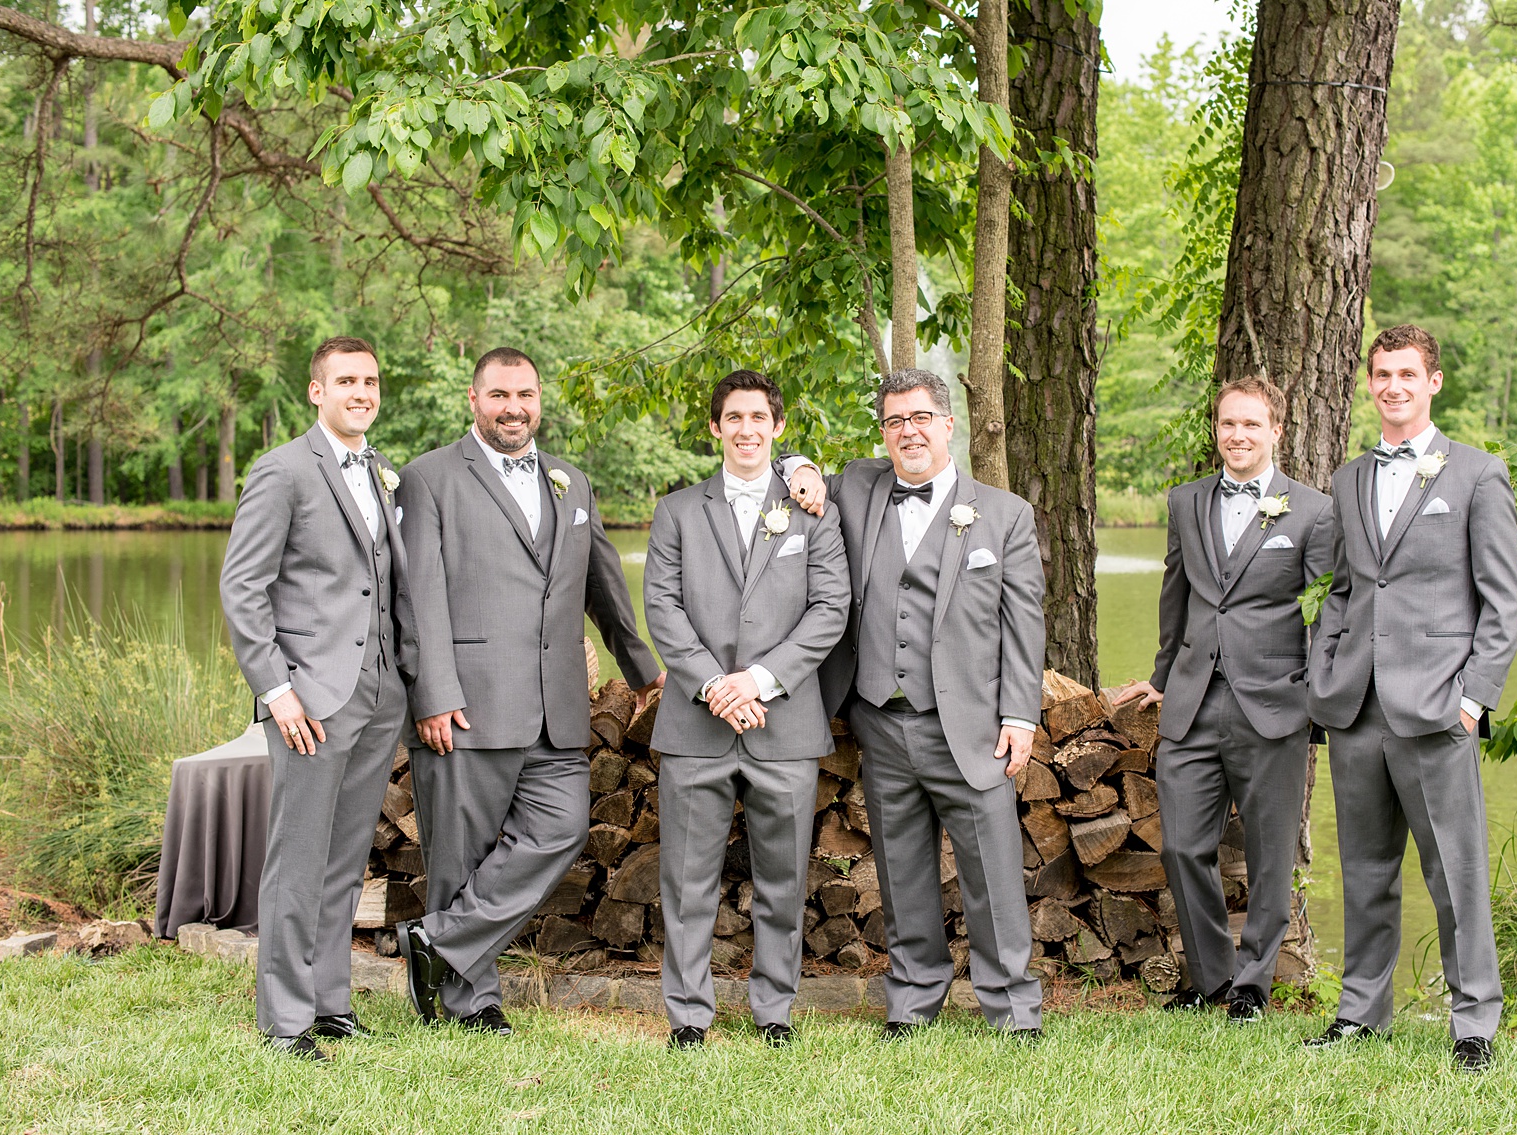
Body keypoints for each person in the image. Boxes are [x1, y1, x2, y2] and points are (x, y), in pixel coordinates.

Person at [391, 347, 663, 1033]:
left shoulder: (570, 480)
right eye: (499, 395)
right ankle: (470, 1002)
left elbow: (602, 584)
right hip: (465, 704)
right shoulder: (429, 478)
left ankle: (437, 944)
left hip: (556, 707)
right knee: (461, 856)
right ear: (473, 399)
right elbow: (415, 592)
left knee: (561, 828)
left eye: (526, 394)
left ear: (541, 398)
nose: (514, 407)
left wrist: (641, 667)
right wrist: (431, 690)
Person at [779, 368, 1047, 1039]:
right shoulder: (861, 487)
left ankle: (1013, 1008)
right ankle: (913, 998)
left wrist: (1020, 715)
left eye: (921, 417)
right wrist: (801, 463)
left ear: (949, 424)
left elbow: (1025, 624)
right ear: (883, 432)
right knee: (901, 870)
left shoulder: (1005, 514)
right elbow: (787, 465)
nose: (909, 431)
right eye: (895, 421)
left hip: (972, 725)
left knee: (991, 869)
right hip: (879, 716)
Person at [1304, 324, 1517, 1071]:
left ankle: (1474, 1024)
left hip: (1437, 709)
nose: (1392, 385)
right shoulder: (1349, 477)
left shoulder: (1477, 475)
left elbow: (1504, 603)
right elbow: (1344, 590)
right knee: (1365, 871)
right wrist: (1322, 675)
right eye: (1380, 374)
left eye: (1406, 373)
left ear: (1433, 382)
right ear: (1369, 385)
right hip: (1357, 708)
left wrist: (1474, 700)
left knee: (1455, 874)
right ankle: (1360, 1014)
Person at [220, 335, 418, 1061]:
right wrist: (278, 691)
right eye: (345, 381)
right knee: (297, 859)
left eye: (369, 380)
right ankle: (284, 1020)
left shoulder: (381, 472)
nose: (361, 392)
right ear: (316, 391)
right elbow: (243, 589)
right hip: (309, 697)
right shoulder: (281, 472)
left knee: (344, 858)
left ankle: (331, 1002)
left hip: (376, 694)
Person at [1114, 375, 1333, 1023]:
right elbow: (1175, 595)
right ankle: (1211, 975)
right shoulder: (1186, 502)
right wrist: (1160, 675)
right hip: (1193, 699)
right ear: (1217, 429)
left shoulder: (1312, 510)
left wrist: (1315, 695)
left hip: (1275, 704)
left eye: (1250, 425)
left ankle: (1253, 985)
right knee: (1182, 843)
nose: (1237, 435)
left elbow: (1325, 610)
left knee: (1271, 852)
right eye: (1227, 424)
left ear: (1276, 431)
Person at [643, 369, 851, 1050]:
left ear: (777, 427)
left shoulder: (810, 509)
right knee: (687, 880)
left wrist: (758, 681)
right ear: (714, 427)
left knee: (784, 881)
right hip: (697, 725)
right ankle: (689, 1015)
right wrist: (713, 685)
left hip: (783, 723)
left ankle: (774, 1011)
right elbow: (662, 610)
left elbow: (831, 609)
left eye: (759, 417)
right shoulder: (677, 511)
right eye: (733, 417)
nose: (746, 429)